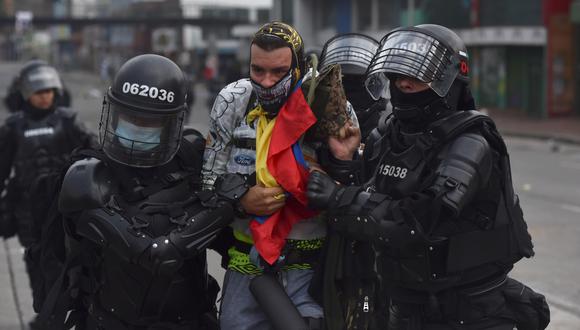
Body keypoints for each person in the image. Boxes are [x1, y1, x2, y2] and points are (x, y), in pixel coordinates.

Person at [307, 24, 550, 330]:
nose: (403, 84)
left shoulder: (470, 143)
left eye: (417, 78)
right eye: (398, 77)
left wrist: (338, 197)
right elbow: (369, 201)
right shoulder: (388, 135)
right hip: (404, 304)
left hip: (472, 312)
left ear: (451, 82)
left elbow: (416, 222)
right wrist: (344, 166)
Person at [36, 54, 248, 330]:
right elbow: (155, 255)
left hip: (191, 320)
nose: (136, 128)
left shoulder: (190, 160)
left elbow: (233, 243)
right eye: (129, 118)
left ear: (172, 124)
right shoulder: (86, 175)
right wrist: (224, 205)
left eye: (149, 123)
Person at [202, 21, 359, 330]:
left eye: (278, 72)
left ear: (298, 67)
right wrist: (242, 200)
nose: (267, 81)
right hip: (247, 264)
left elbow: (359, 193)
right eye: (257, 70)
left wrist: (342, 165)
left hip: (311, 270)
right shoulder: (233, 100)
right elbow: (207, 185)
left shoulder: (329, 100)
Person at [0, 60, 94, 328]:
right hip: (28, 213)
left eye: (50, 91)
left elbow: (95, 156)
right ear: (27, 94)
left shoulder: (69, 122)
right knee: (37, 264)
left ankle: (60, 314)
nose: (46, 97)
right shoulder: (13, 128)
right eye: (40, 92)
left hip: (64, 208)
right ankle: (46, 313)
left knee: (69, 263)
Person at [319, 33, 390, 143]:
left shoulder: (385, 130)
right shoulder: (317, 127)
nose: (350, 87)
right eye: (342, 82)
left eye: (357, 81)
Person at [4, 60, 73, 113]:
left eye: (47, 91)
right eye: (37, 92)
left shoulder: (67, 121)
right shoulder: (14, 125)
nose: (44, 97)